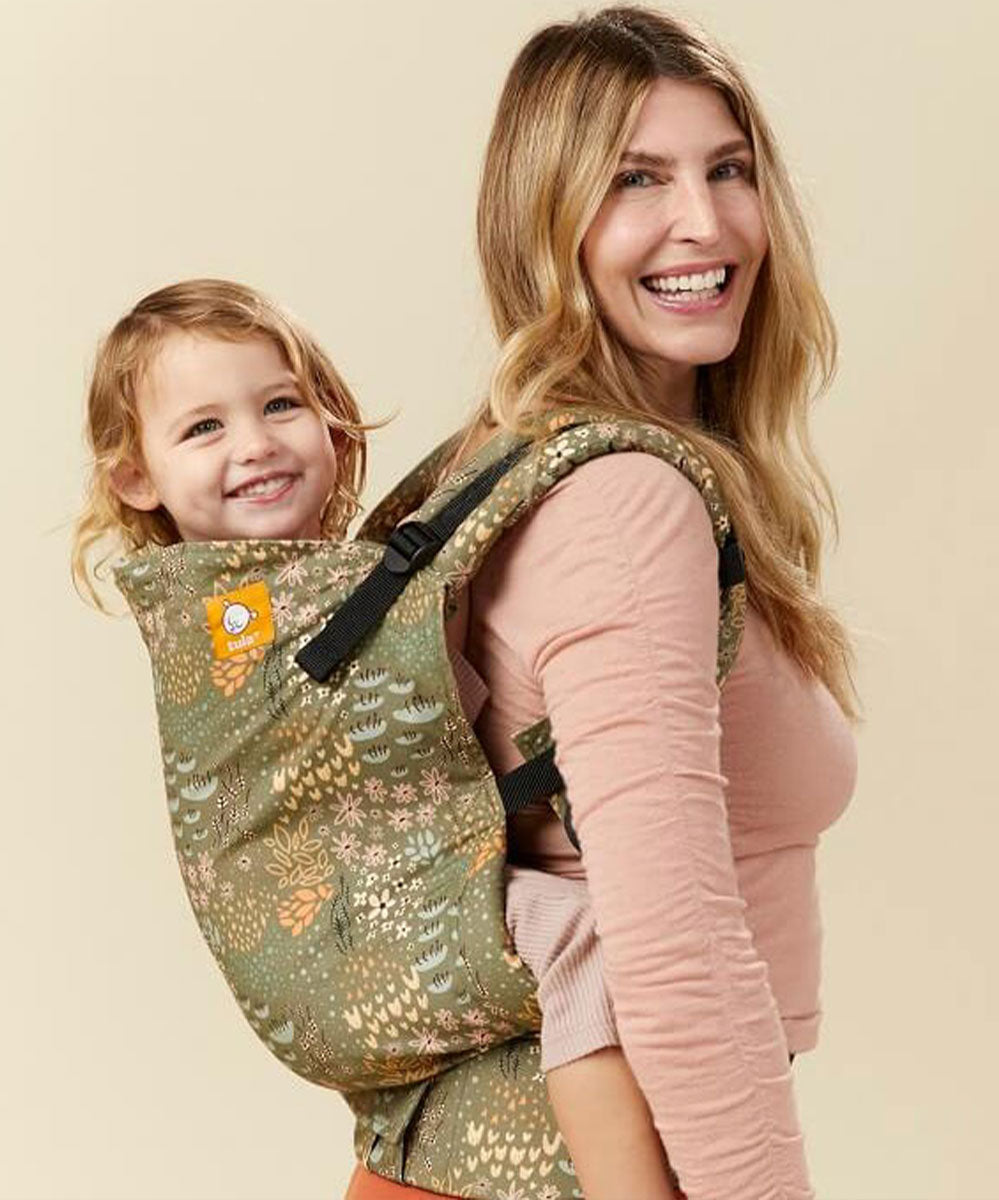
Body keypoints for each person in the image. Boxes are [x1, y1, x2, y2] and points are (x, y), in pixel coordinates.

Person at [344, 6, 860, 1200]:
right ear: (545, 226)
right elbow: (670, 943)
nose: (707, 220)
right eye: (637, 179)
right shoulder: (627, 502)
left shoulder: (521, 456)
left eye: (728, 169)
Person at [71, 277, 696, 1199]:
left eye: (281, 404)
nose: (254, 445)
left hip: (385, 899)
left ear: (331, 423)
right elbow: (387, 650)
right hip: (342, 927)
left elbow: (406, 610)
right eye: (202, 428)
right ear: (135, 476)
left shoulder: (310, 579)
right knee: (586, 947)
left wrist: (523, 414)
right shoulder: (225, 612)